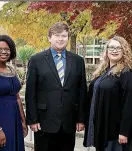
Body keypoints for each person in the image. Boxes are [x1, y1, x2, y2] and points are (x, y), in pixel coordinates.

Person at [25, 22, 87, 151]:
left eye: (64, 36)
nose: (60, 39)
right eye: (57, 35)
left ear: (68, 38)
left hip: (68, 123)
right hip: (43, 122)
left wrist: (81, 119)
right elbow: (30, 92)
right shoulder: (36, 60)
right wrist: (32, 119)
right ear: (49, 38)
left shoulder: (78, 61)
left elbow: (82, 92)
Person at [83, 36, 132, 151]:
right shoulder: (103, 72)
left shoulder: (128, 74)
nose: (114, 50)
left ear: (125, 52)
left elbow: (129, 105)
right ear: (106, 50)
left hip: (116, 134)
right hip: (102, 129)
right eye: (111, 47)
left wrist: (124, 132)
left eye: (119, 48)